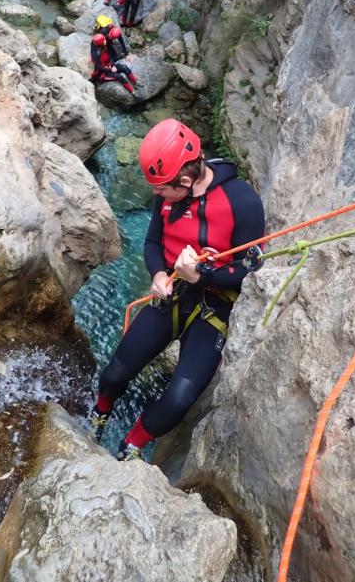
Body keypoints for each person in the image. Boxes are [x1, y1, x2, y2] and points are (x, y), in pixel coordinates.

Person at [88, 119, 266, 461]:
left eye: (161, 190)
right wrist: (157, 274)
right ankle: (101, 412)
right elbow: (154, 241)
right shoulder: (170, 192)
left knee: (179, 397)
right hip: (171, 292)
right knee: (114, 373)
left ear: (185, 180)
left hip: (215, 308)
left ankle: (132, 444)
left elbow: (249, 272)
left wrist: (202, 276)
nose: (156, 195)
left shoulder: (242, 202)